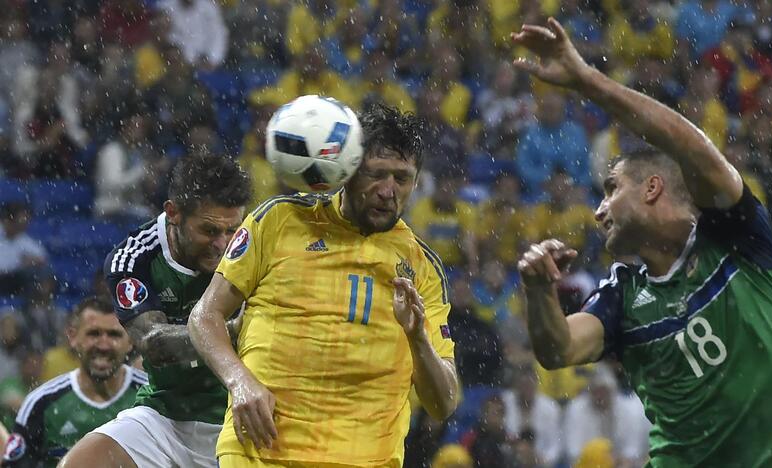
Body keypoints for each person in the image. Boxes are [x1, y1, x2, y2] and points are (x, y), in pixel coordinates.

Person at [513, 18, 772, 466]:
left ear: (652, 188)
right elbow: (559, 350)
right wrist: (539, 292)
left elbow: (690, 146)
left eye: (611, 189)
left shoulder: (734, 236)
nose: (599, 211)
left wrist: (588, 81)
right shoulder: (621, 295)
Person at [187, 102, 459, 467]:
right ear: (345, 169)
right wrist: (239, 381)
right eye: (376, 174)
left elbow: (443, 403)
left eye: (402, 178)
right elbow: (204, 317)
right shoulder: (279, 220)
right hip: (259, 454)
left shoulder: (421, 268)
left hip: (365, 460)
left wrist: (418, 339)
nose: (387, 190)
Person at [60, 154, 252, 468]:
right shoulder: (134, 256)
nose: (223, 245)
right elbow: (155, 343)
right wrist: (231, 329)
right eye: (209, 231)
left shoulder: (253, 242)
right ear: (173, 213)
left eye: (231, 230)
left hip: (241, 414)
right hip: (166, 420)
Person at [2, 297, 145, 467]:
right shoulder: (42, 403)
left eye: (114, 334)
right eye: (94, 333)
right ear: (73, 337)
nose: (103, 345)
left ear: (130, 341)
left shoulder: (153, 397)